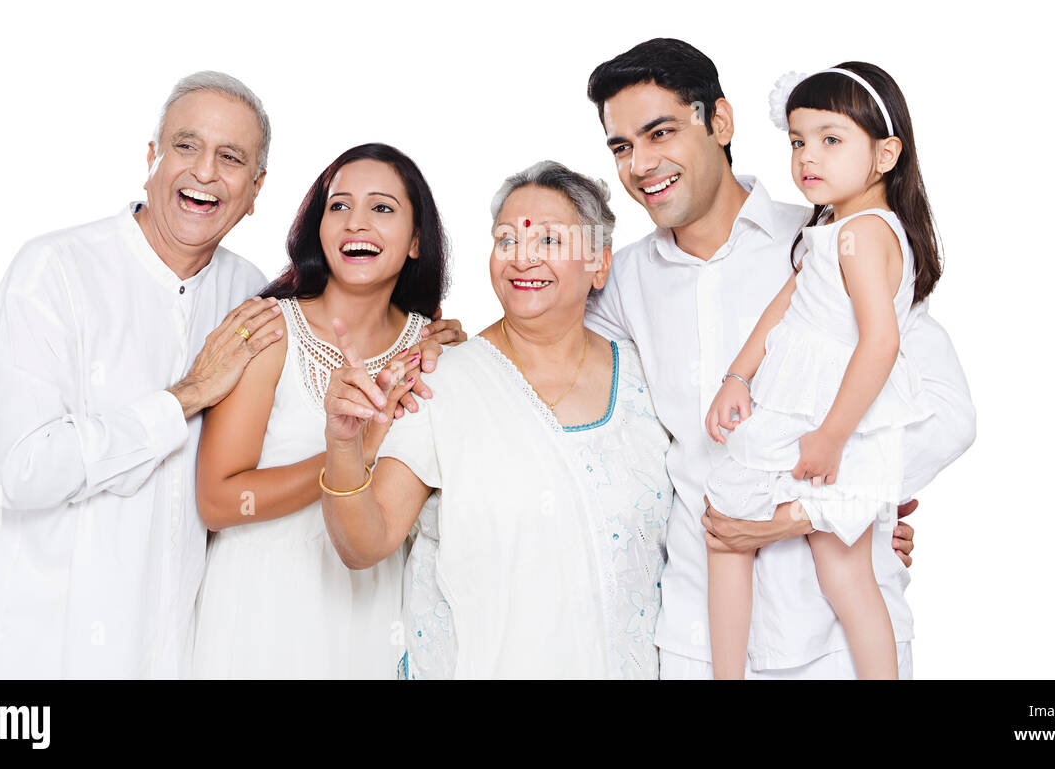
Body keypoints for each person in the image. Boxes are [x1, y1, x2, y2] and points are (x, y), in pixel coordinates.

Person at [584, 39, 977, 679]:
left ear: (720, 122)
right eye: (622, 146)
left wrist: (803, 515)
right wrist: (440, 340)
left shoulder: (830, 240)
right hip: (699, 640)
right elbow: (542, 358)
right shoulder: (624, 280)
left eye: (660, 132)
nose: (642, 163)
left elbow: (947, 417)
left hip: (836, 639)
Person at [0, 71, 285, 678]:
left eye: (230, 158)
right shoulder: (54, 270)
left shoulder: (250, 295)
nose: (204, 171)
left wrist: (423, 334)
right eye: (185, 146)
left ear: (255, 189)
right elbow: (18, 470)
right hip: (31, 661)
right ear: (151, 158)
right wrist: (185, 398)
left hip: (163, 655)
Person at [319, 161, 673, 678]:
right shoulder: (443, 382)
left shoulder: (647, 377)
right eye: (505, 239)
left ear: (599, 263)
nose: (521, 258)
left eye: (549, 240)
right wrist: (344, 445)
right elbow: (363, 545)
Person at [703, 63, 940, 679]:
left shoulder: (864, 234)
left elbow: (880, 343)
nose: (808, 157)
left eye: (831, 140)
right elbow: (785, 304)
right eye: (798, 141)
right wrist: (737, 376)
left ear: (886, 154)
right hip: (797, 403)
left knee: (818, 563)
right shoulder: (833, 230)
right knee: (743, 532)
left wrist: (832, 435)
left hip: (828, 416)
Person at [191, 143, 456, 678]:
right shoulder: (269, 329)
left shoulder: (430, 351)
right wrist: (350, 456)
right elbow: (219, 501)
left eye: (382, 208)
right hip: (258, 607)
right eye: (339, 206)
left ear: (416, 242)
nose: (356, 222)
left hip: (370, 606)